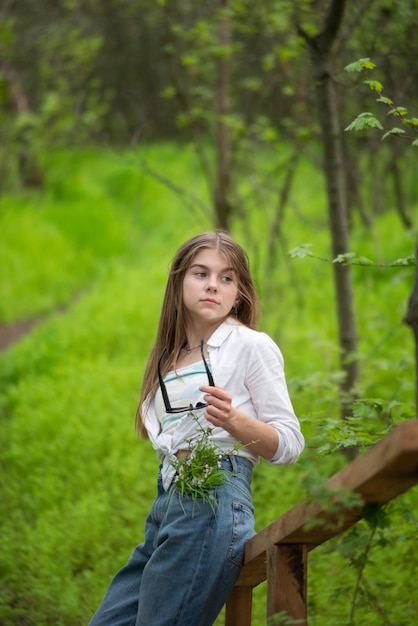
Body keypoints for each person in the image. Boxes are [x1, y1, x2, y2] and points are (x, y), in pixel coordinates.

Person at [88, 231, 304, 626]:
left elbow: (290, 443)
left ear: (239, 292)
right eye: (200, 273)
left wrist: (234, 421)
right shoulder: (167, 356)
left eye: (226, 278)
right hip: (167, 504)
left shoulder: (249, 346)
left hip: (213, 498)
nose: (212, 285)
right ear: (178, 281)